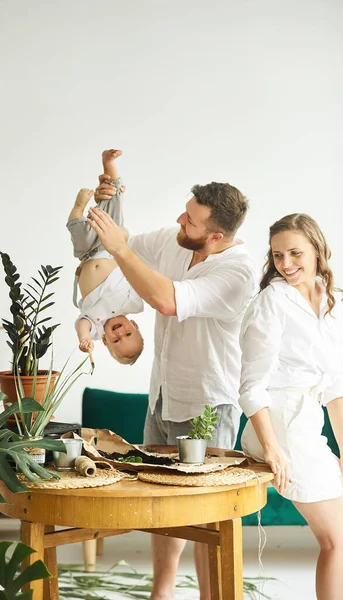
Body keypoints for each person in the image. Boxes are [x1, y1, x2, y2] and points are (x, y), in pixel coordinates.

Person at [88, 175, 257, 600]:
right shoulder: (175, 240)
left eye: (192, 219)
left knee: (204, 515)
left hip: (207, 406)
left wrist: (120, 249)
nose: (180, 219)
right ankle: (161, 592)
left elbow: (168, 299)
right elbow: (115, 243)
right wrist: (108, 197)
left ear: (216, 236)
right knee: (163, 505)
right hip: (162, 397)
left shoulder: (237, 271)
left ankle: (210, 595)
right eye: (186, 210)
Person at [239, 213, 343, 600]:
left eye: (295, 253)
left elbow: (335, 388)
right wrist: (272, 449)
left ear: (317, 250)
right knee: (337, 538)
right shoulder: (272, 301)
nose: (285, 264)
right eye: (277, 255)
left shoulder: (332, 300)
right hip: (278, 421)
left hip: (308, 420)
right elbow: (251, 386)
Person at [66, 150, 144, 365]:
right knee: (114, 202)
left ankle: (78, 207)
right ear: (135, 326)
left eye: (116, 340)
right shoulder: (134, 303)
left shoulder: (95, 326)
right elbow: (137, 271)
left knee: (78, 231)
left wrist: (83, 340)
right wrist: (123, 239)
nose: (120, 332)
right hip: (109, 246)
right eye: (128, 334)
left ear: (105, 341)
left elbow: (81, 323)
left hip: (85, 255)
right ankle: (109, 164)